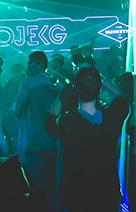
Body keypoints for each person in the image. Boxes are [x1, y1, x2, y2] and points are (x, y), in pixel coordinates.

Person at [44, 66, 129, 212]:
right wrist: (101, 80)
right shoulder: (111, 118)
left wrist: (67, 89)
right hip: (107, 191)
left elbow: (49, 121)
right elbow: (122, 99)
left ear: (77, 91)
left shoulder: (68, 122)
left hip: (78, 194)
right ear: (100, 90)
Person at [13, 51, 59, 209]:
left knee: (32, 185)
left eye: (31, 63)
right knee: (51, 185)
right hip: (51, 143)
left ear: (40, 65)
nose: (28, 66)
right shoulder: (56, 84)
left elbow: (18, 111)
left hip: (31, 143)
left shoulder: (28, 83)